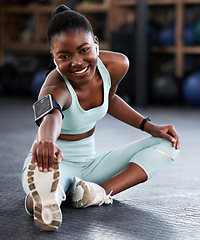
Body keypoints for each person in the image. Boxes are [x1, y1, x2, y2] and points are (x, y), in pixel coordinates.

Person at [21, 5, 180, 231]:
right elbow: (51, 116)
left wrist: (149, 127)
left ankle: (96, 192)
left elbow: (110, 99)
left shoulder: (116, 65)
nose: (76, 62)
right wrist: (45, 141)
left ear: (96, 43)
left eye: (84, 50)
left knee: (168, 142)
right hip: (55, 163)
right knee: (50, 189)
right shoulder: (54, 86)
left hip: (91, 166)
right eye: (64, 56)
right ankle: (44, 199)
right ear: (53, 57)